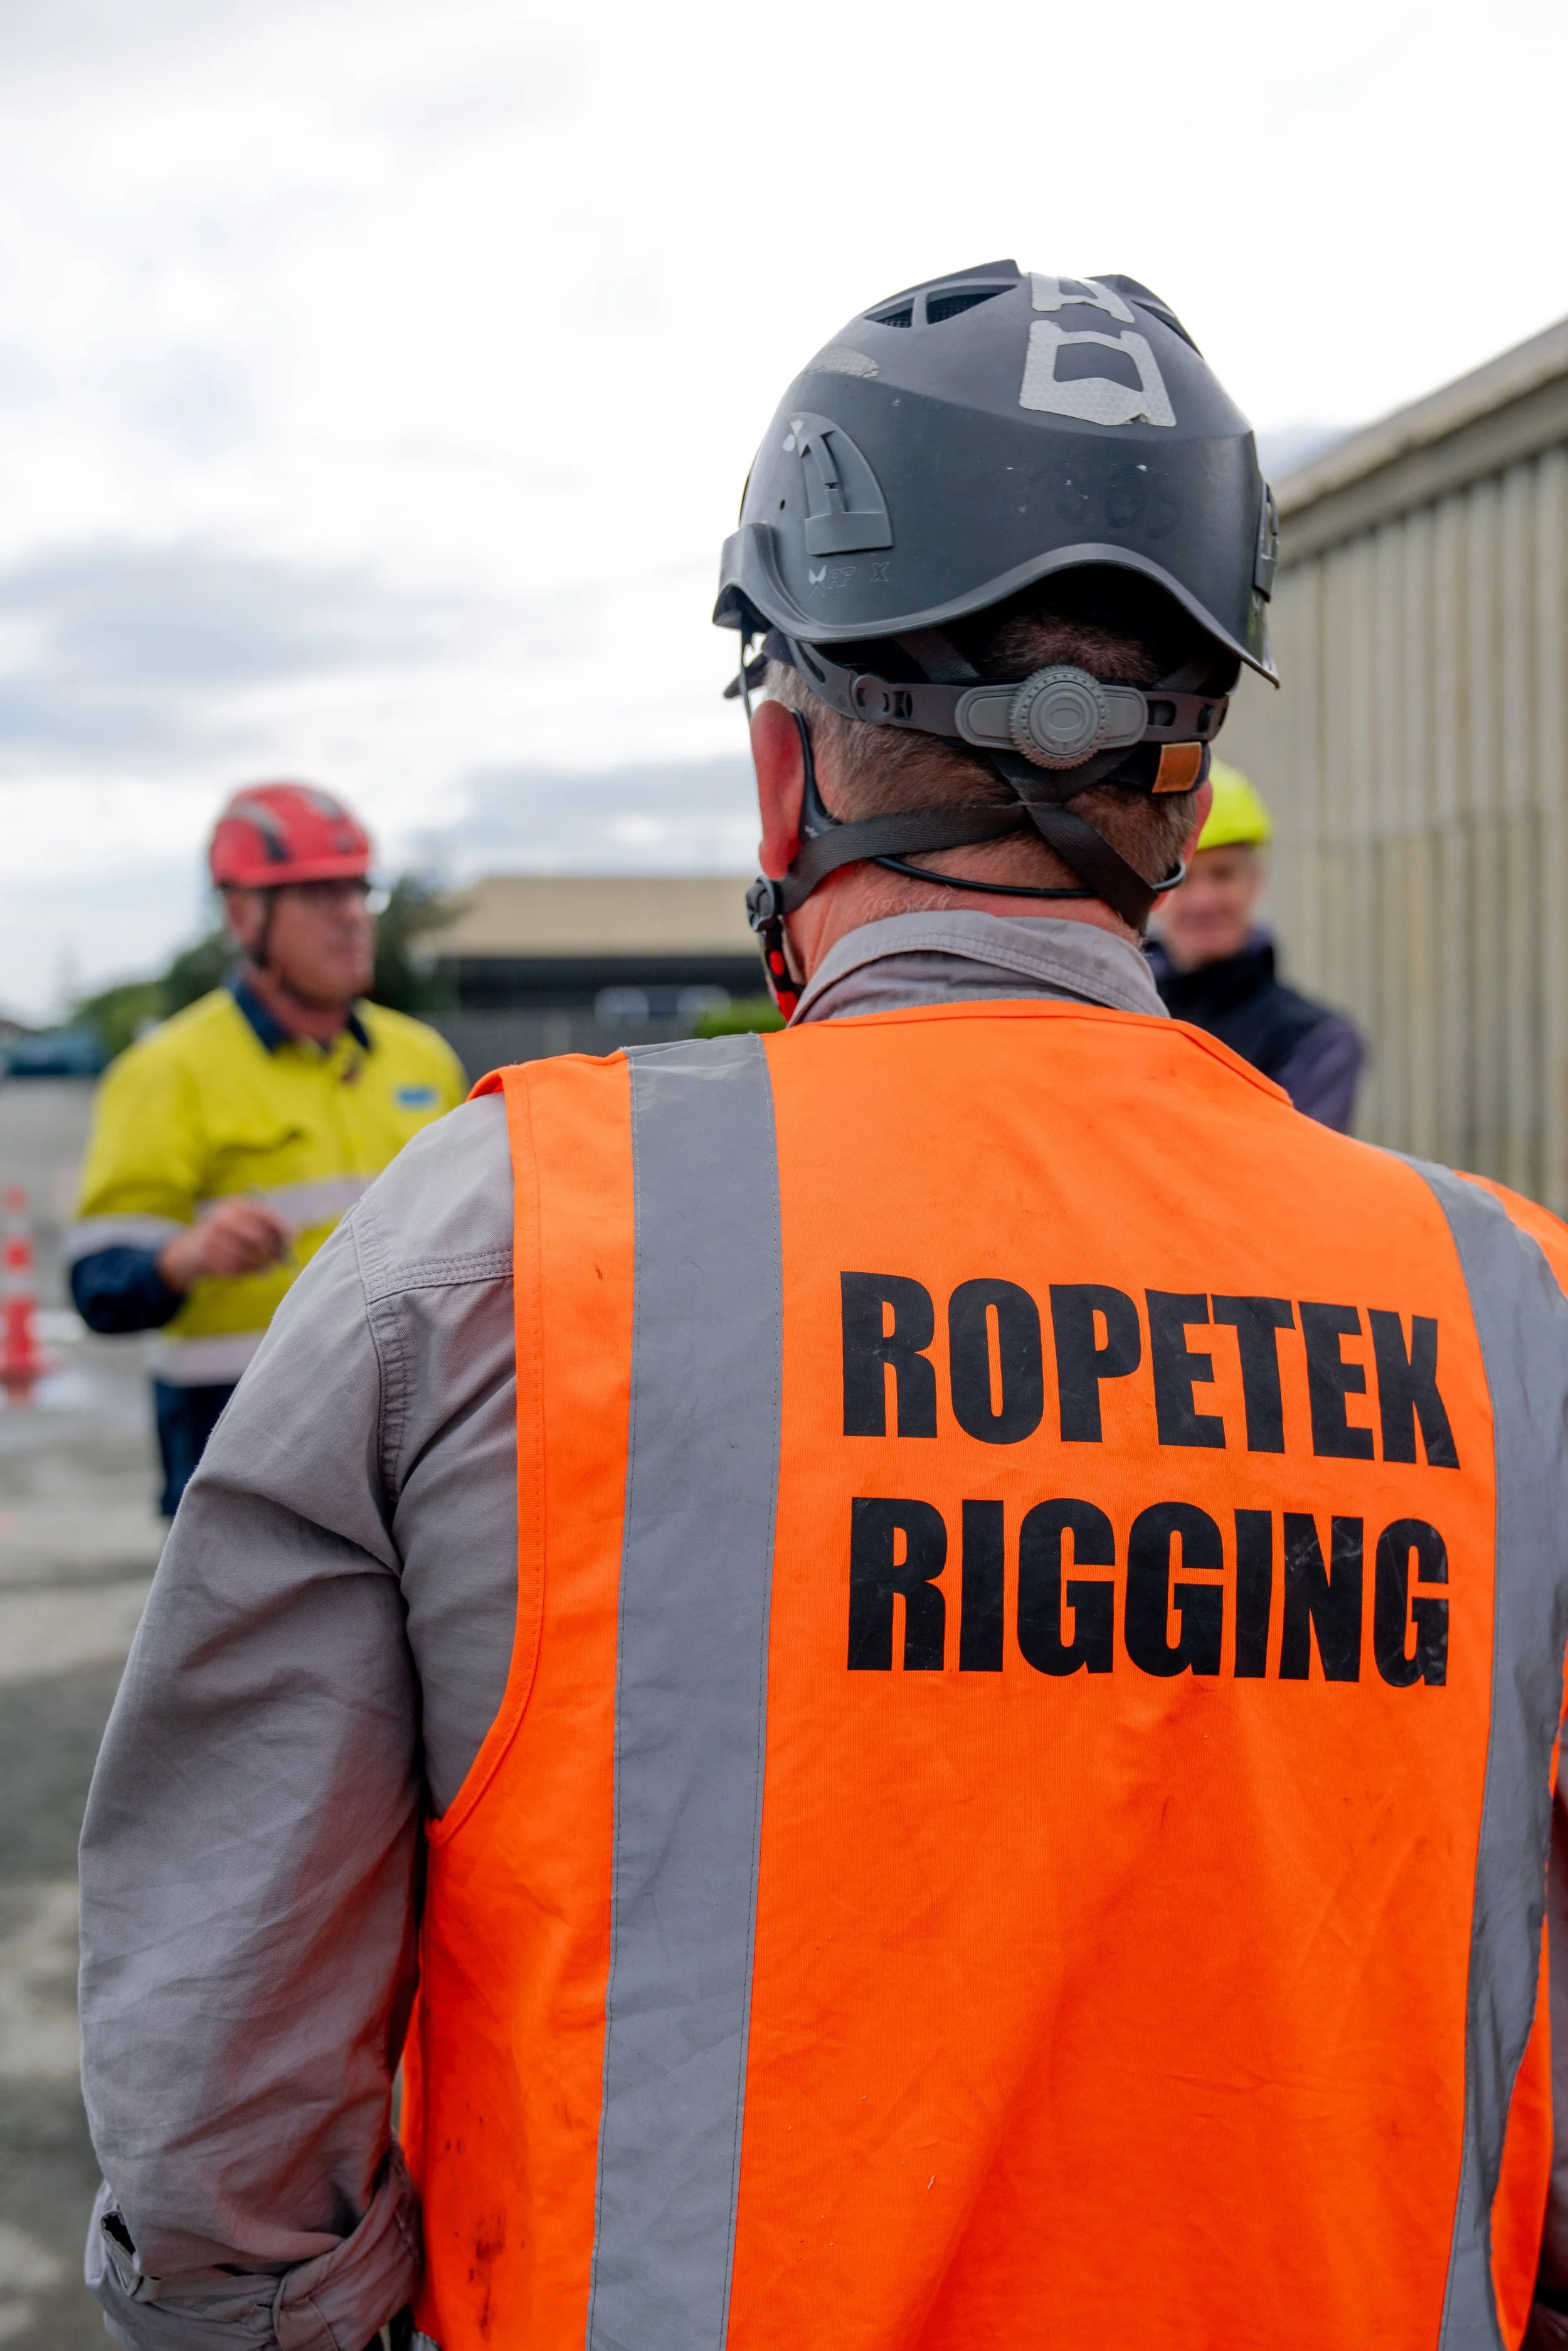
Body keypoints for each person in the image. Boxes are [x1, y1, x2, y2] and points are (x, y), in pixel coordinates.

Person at [78, 265, 1568, 2351]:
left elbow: (226, 2095)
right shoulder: (1510, 1306)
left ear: (786, 774)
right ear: (1180, 783)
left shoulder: (514, 1232)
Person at [65, 782, 465, 1514]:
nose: (350, 914)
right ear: (243, 914)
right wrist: (184, 1257)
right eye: (318, 894)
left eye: (357, 889)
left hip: (421, 1448)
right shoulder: (164, 1073)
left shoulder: (423, 1060)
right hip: (241, 1464)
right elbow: (99, 1285)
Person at [1148, 760, 1364, 1128]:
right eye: (1183, 878)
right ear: (1152, 889)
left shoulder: (1317, 1043)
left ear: (1254, 880)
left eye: (1223, 874)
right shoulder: (1119, 1014)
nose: (1203, 901)